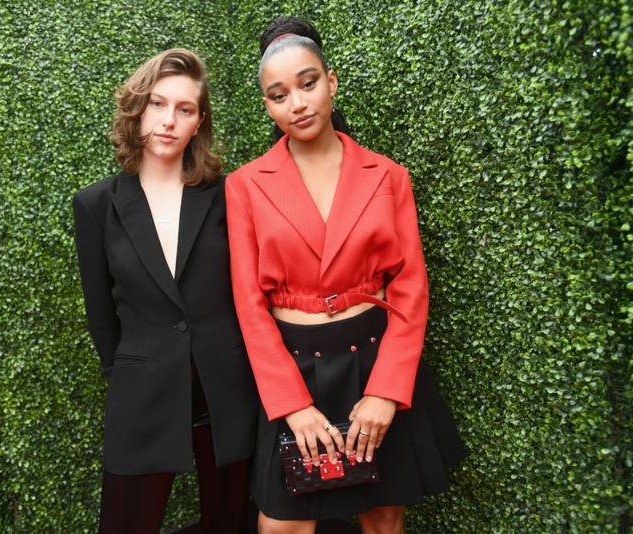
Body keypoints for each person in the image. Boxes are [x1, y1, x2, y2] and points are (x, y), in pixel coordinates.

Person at [225, 17, 466, 534]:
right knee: (283, 524)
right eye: (279, 93)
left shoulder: (388, 176)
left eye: (308, 83)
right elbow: (249, 304)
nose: (298, 102)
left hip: (374, 362)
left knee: (383, 518)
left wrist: (387, 391)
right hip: (293, 367)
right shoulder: (244, 186)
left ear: (331, 83)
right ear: (267, 105)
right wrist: (292, 405)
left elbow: (410, 287)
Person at [73, 48, 259, 534]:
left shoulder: (228, 194)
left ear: (199, 123)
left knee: (230, 522)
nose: (169, 120)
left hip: (226, 389)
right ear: (137, 110)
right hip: (144, 390)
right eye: (157, 104)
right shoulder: (96, 204)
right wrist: (129, 372)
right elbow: (101, 313)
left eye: (185, 109)